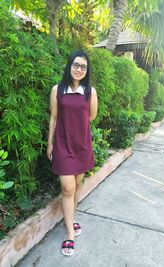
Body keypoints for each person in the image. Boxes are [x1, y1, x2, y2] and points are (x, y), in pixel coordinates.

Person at [47, 51, 98, 256]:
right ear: (69, 66)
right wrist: (49, 143)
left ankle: (72, 217)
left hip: (82, 146)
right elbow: (54, 118)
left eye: (83, 67)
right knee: (67, 188)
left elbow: (91, 117)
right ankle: (70, 233)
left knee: (77, 185)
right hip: (62, 145)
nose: (79, 69)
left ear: (87, 71)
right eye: (76, 65)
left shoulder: (90, 92)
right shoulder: (57, 90)